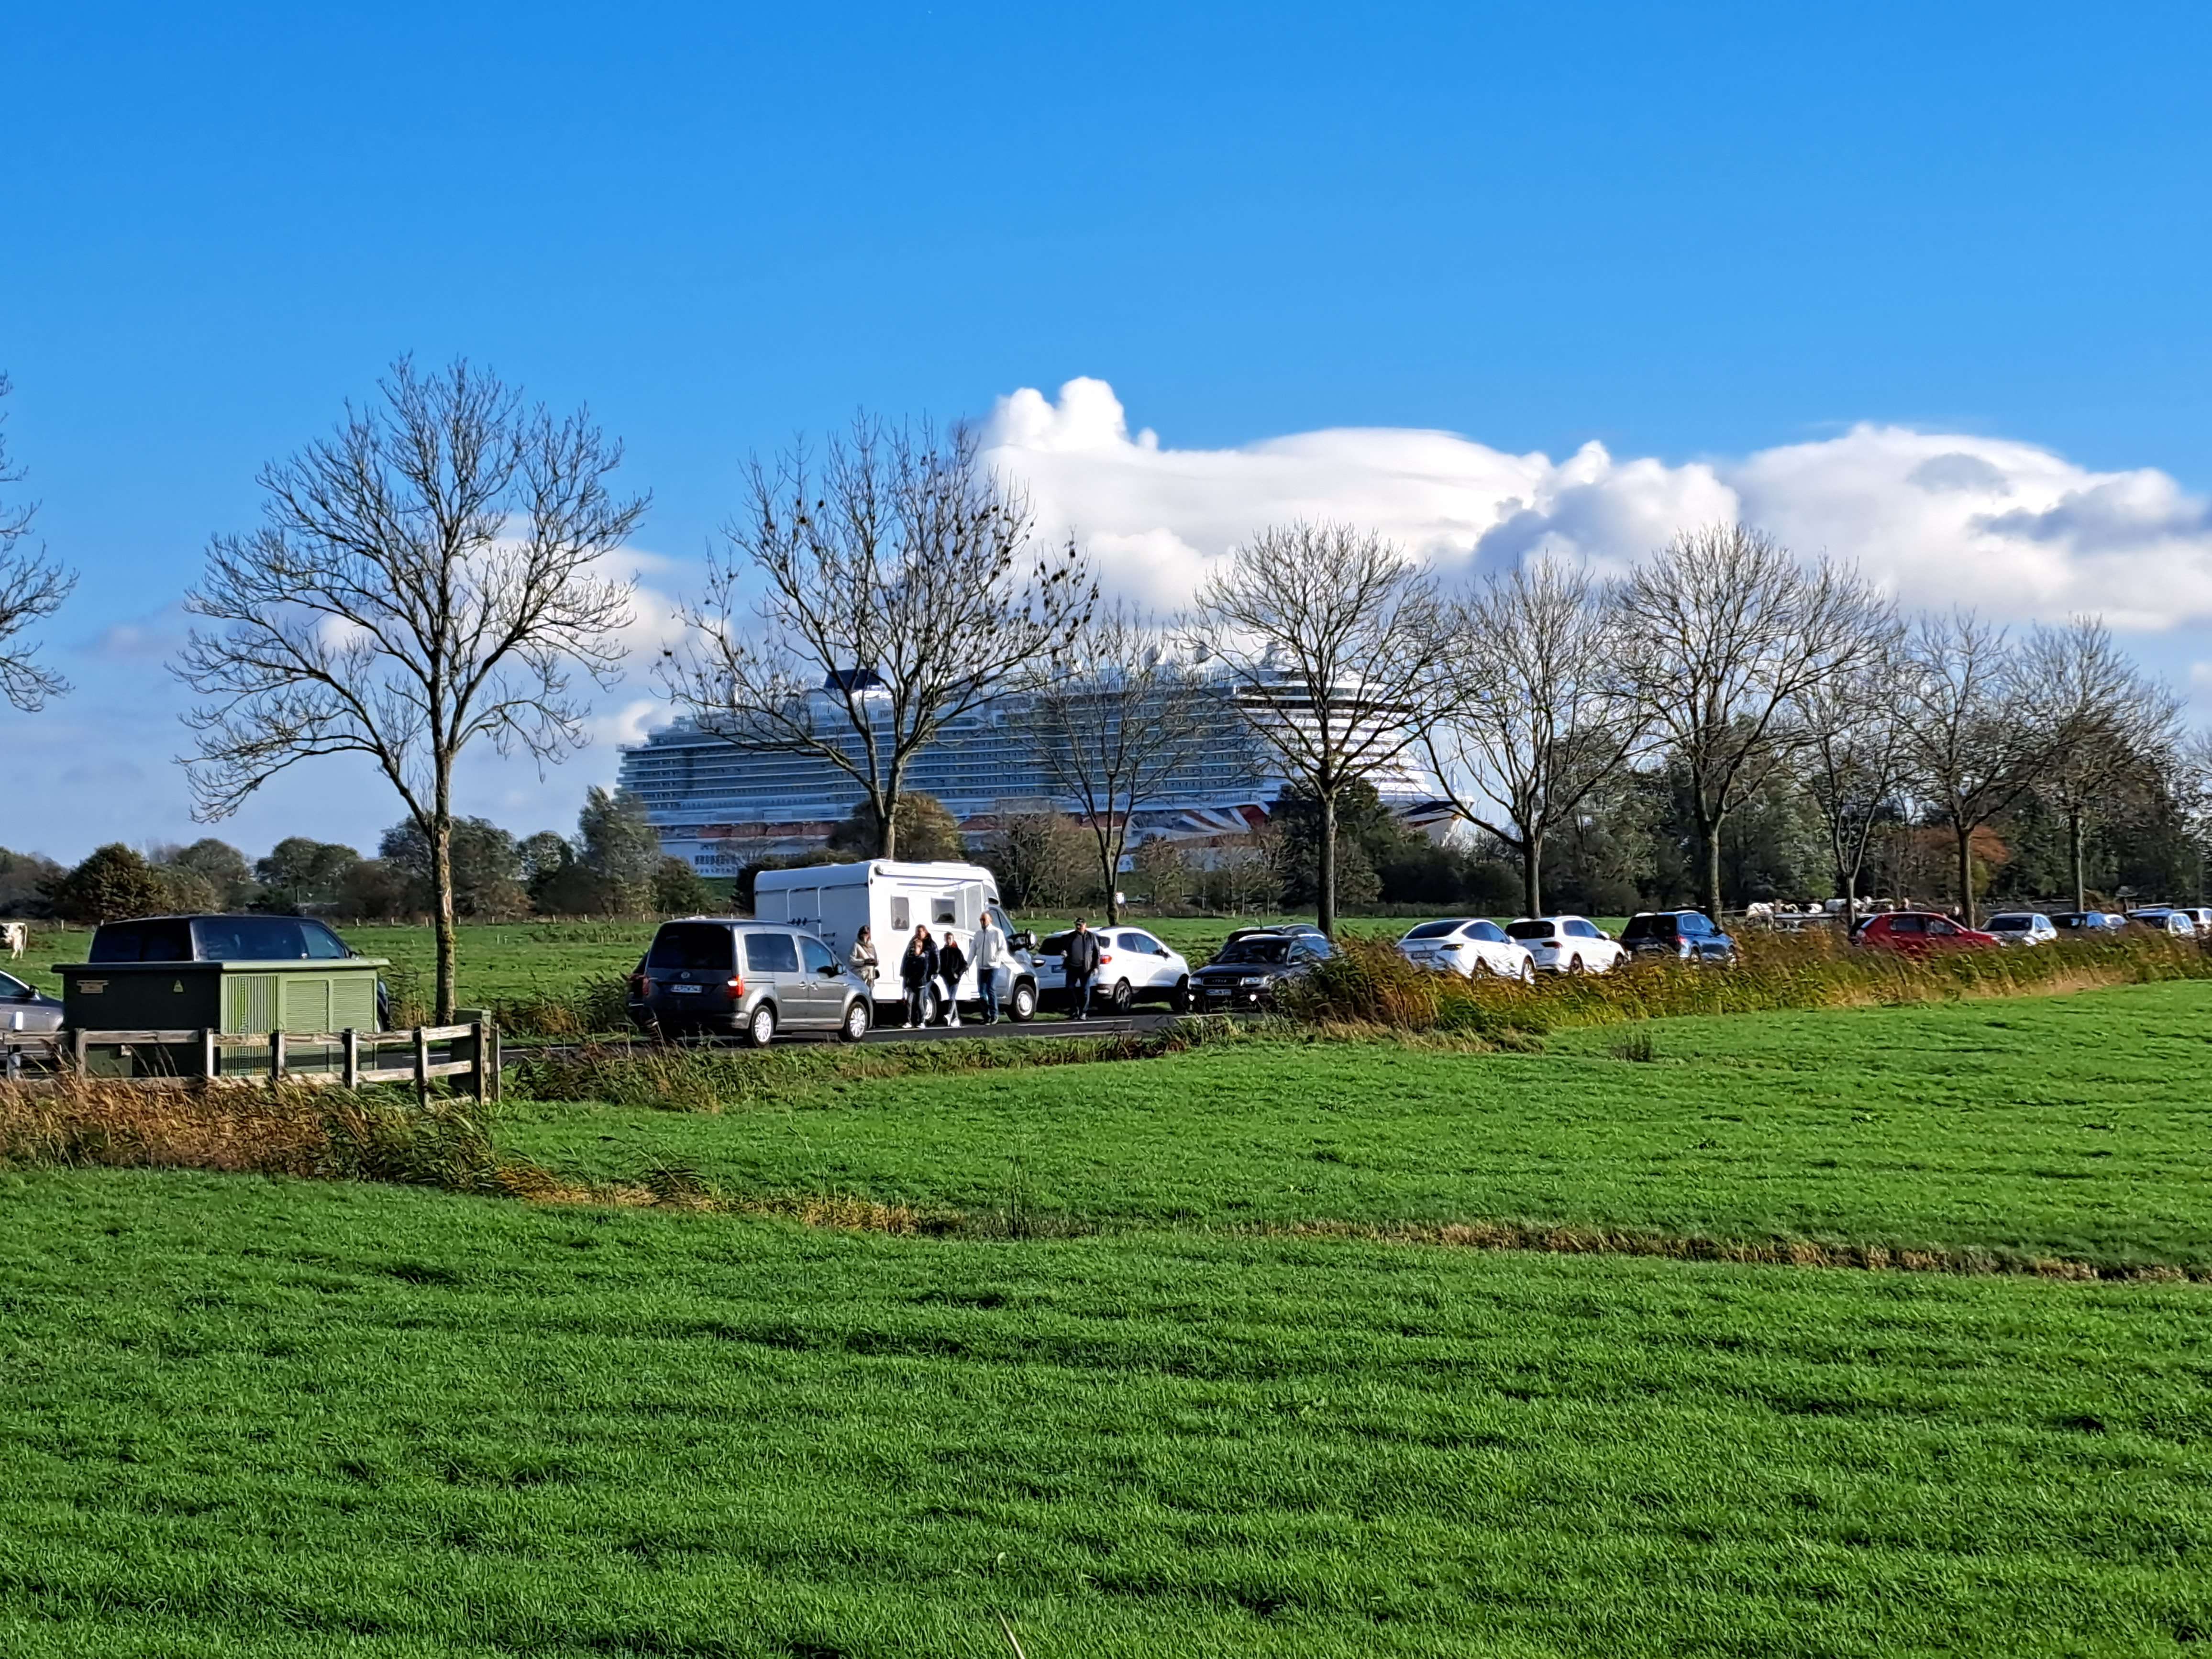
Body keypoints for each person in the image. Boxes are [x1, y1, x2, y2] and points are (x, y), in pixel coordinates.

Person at [1062, 918, 1100, 1020]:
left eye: (1080, 925)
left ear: (1085, 925)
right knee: (1070, 988)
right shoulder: (1070, 937)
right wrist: (1064, 952)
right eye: (1077, 925)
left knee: (1085, 990)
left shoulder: (1091, 937)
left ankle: (1083, 1012)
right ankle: (1074, 1011)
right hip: (1072, 967)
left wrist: (1096, 967)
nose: (1078, 927)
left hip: (1086, 968)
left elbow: (1097, 953)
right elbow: (1064, 947)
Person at [899, 927, 937, 1029]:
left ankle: (922, 1021)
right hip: (912, 983)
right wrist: (907, 978)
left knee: (920, 1002)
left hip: (921, 984)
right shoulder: (912, 958)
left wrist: (935, 972)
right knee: (910, 1002)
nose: (913, 949)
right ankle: (909, 1021)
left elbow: (924, 971)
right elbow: (907, 968)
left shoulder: (924, 958)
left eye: (915, 947)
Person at [973, 912, 1007, 1023]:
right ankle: (986, 1016)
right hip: (982, 967)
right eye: (981, 920)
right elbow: (973, 950)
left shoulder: (997, 933)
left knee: (991, 989)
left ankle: (994, 1014)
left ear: (990, 920)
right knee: (981, 992)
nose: (982, 922)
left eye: (984, 920)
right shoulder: (978, 934)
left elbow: (1003, 948)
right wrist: (967, 964)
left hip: (993, 966)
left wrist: (996, 957)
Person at [936, 930, 969, 1028]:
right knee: (952, 998)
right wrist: (941, 974)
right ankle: (956, 1019)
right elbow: (940, 965)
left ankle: (949, 1015)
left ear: (953, 939)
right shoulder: (942, 952)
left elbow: (964, 965)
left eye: (950, 939)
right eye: (947, 939)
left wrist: (958, 974)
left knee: (952, 997)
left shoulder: (957, 952)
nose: (949, 940)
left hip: (955, 979)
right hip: (947, 979)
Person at [848, 926, 880, 1001]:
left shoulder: (872, 947)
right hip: (861, 975)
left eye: (866, 934)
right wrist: (864, 962)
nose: (865, 936)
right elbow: (851, 960)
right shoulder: (856, 945)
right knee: (862, 994)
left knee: (869, 995)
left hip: (871, 976)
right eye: (863, 934)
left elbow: (876, 960)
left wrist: (875, 963)